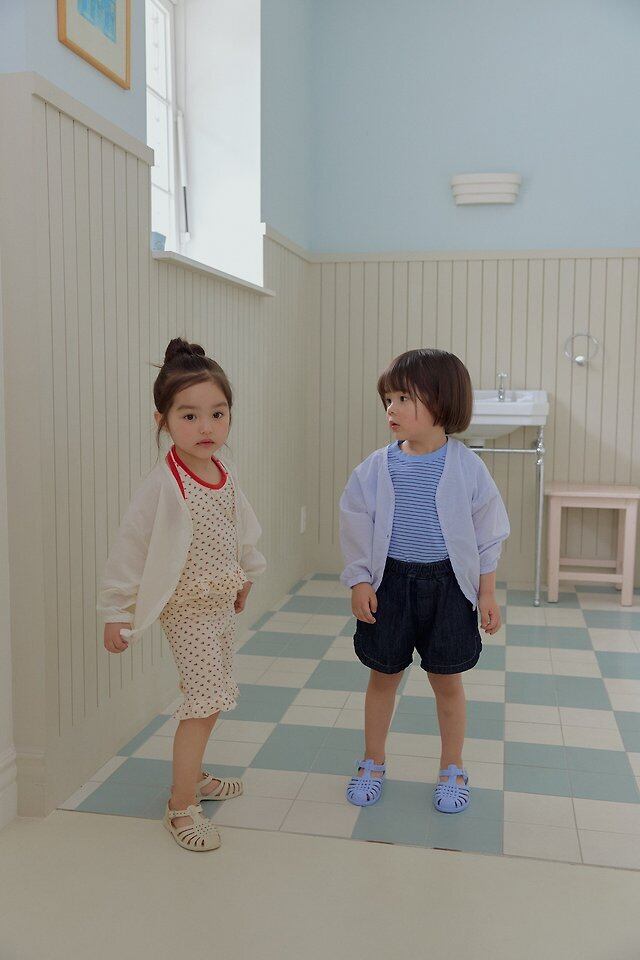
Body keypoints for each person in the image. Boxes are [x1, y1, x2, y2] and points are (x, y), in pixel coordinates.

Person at [98, 337, 266, 851]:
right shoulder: (164, 484)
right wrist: (116, 610)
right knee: (203, 701)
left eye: (218, 414)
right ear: (163, 421)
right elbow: (132, 547)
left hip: (219, 602)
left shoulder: (223, 472)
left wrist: (245, 574)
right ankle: (180, 805)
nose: (206, 427)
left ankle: (194, 776)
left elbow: (239, 528)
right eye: (189, 416)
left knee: (214, 695)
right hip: (186, 609)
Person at [339, 348, 509, 813]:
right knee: (383, 676)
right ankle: (373, 760)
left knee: (447, 681)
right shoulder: (376, 467)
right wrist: (359, 581)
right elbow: (355, 524)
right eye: (388, 399)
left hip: (449, 587)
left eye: (404, 399)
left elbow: (489, 533)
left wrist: (487, 592)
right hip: (390, 585)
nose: (391, 409)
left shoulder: (467, 467)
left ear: (441, 402)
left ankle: (452, 766)